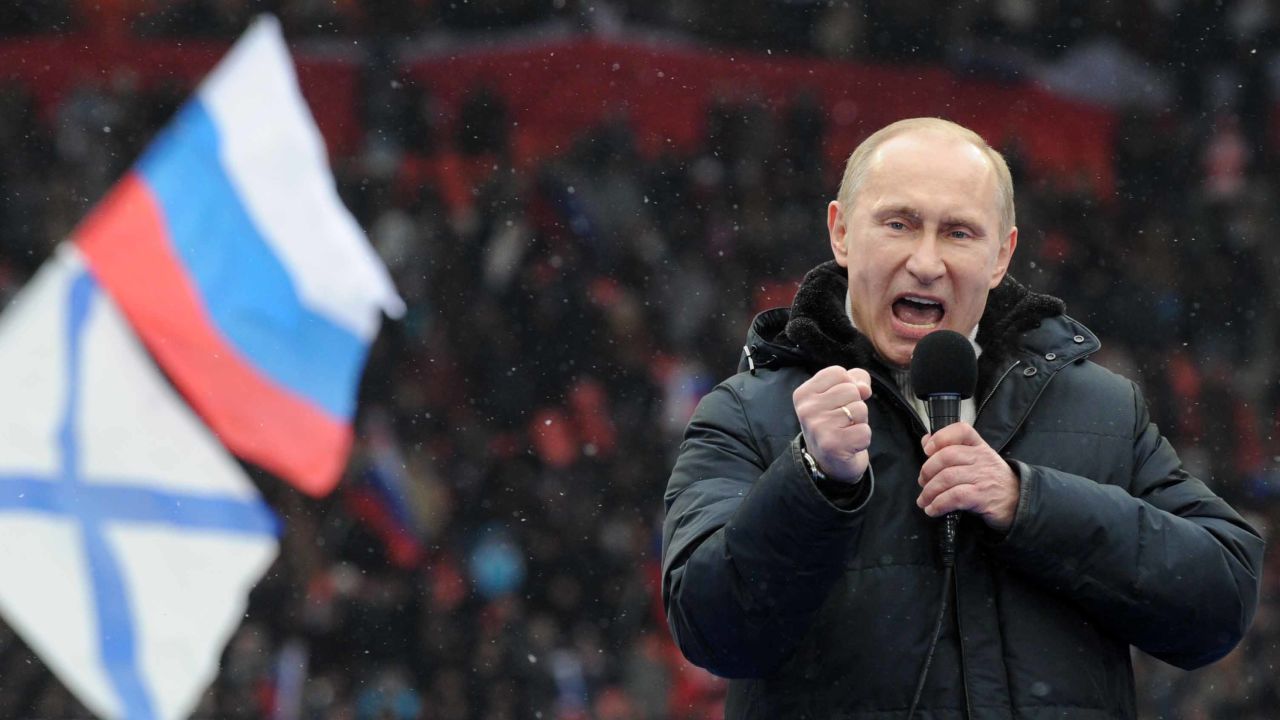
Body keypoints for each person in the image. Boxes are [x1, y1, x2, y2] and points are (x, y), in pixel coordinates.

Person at [661, 117, 1264, 719]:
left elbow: (1219, 601)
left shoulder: (1102, 407)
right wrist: (811, 480)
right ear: (841, 233)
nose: (926, 262)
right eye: (898, 224)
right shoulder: (746, 411)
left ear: (1001, 255)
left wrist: (1028, 502)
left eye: (958, 233)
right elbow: (712, 632)